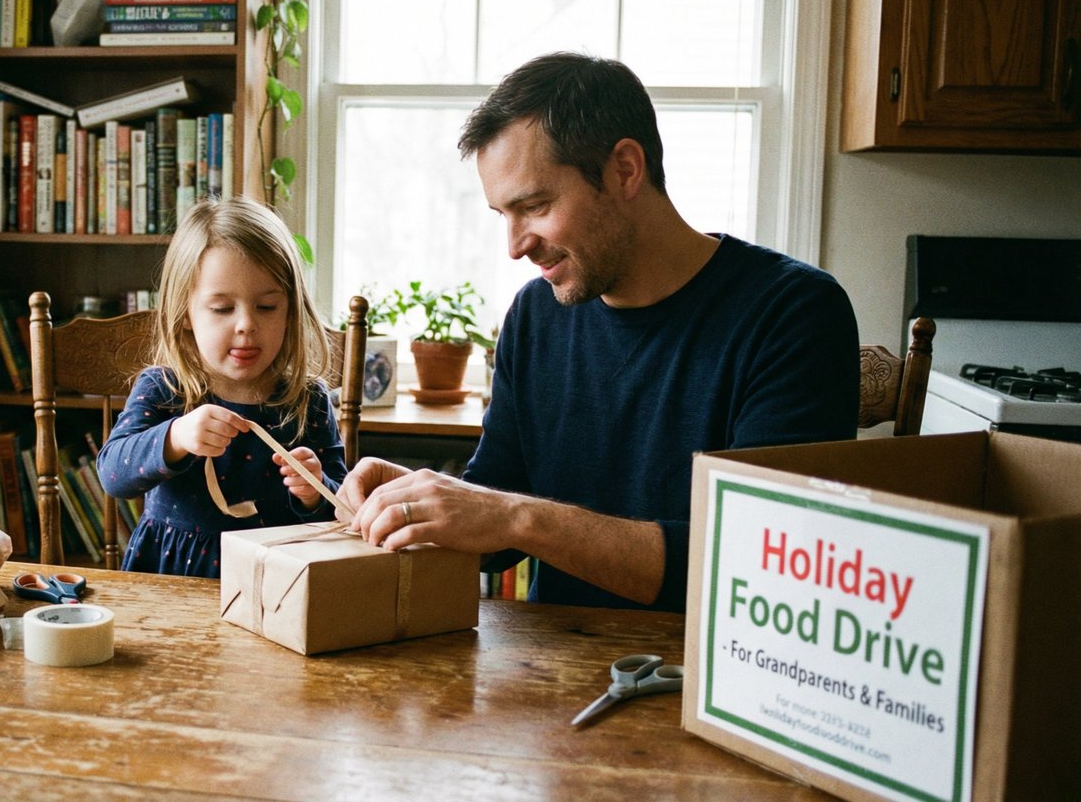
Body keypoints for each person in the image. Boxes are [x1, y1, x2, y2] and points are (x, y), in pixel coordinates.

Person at [338, 52, 860, 612]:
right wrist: (418, 500)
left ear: (625, 171)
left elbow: (757, 566)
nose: (515, 245)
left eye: (534, 206)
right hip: (547, 668)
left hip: (703, 676)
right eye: (502, 216)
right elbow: (495, 531)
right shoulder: (536, 316)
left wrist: (516, 516)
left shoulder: (793, 313)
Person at [97, 197, 348, 577]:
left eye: (266, 307)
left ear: (291, 311)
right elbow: (113, 475)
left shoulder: (307, 401)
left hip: (275, 580)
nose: (246, 324)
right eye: (222, 309)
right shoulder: (165, 389)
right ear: (185, 314)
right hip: (174, 576)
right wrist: (175, 437)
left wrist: (315, 489)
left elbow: (340, 504)